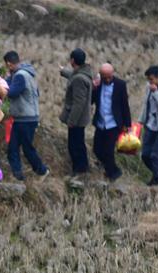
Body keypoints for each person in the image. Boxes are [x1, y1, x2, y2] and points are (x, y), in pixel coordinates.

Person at [2, 50, 50, 181]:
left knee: (27, 148)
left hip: (25, 118)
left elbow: (12, 92)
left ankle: (42, 170)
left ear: (9, 64)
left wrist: (3, 86)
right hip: (26, 118)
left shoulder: (20, 76)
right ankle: (18, 176)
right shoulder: (28, 74)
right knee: (13, 147)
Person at [90, 63, 131, 182]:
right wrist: (93, 87)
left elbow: (125, 105)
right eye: (105, 77)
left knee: (109, 150)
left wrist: (127, 124)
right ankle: (112, 169)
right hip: (100, 122)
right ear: (101, 75)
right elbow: (91, 101)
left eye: (109, 76)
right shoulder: (98, 84)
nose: (107, 79)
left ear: (113, 73)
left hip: (113, 123)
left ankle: (112, 174)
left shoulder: (120, 85)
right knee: (97, 149)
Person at [59, 48, 93, 179]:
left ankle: (79, 171)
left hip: (77, 119)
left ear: (72, 60)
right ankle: (82, 170)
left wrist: (72, 121)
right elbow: (74, 75)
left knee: (75, 145)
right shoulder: (85, 73)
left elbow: (79, 102)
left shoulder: (79, 79)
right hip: (82, 118)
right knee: (79, 143)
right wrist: (63, 71)